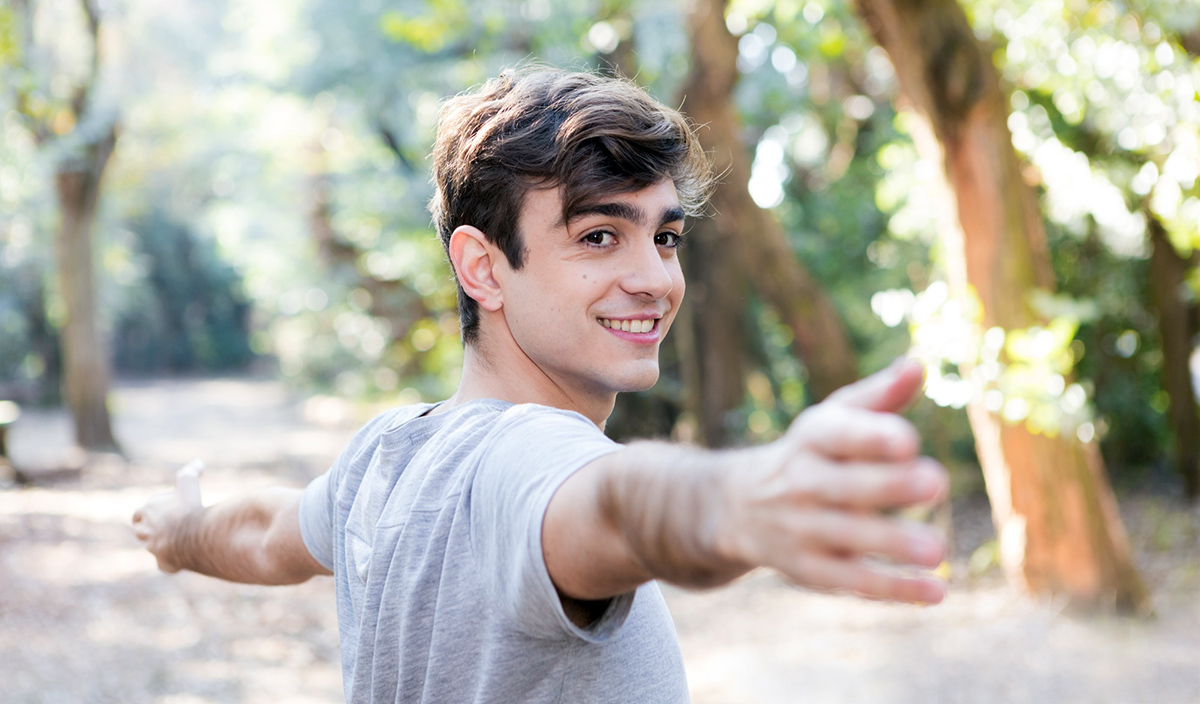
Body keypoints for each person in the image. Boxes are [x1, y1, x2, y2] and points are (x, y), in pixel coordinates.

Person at [133, 66, 949, 703]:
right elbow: (617, 508)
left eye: (664, 237)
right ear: (481, 267)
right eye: (598, 236)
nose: (655, 279)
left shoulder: (386, 454)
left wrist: (179, 532)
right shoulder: (532, 457)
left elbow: (260, 533)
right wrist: (734, 500)